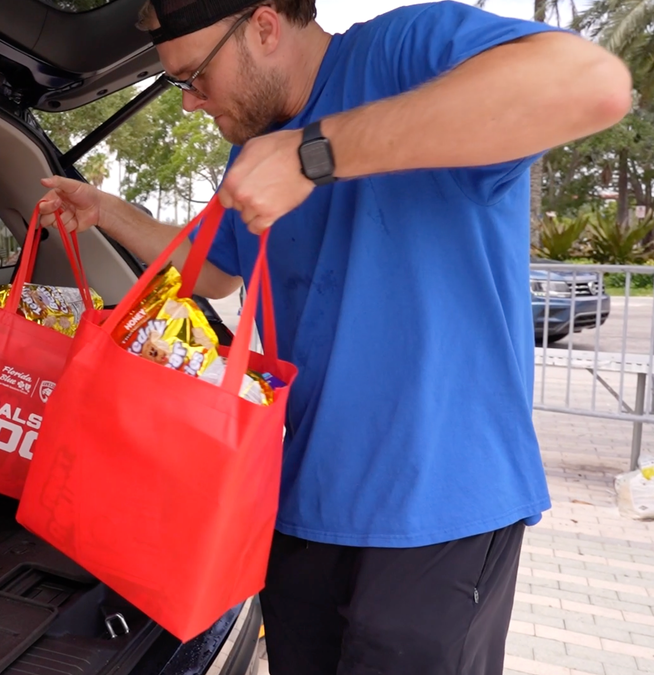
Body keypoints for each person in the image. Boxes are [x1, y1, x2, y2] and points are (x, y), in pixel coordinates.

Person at [36, 1, 631, 673]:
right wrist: (107, 211)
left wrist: (316, 154)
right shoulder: (259, 140)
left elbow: (592, 83)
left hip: (438, 505)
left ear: (263, 25)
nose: (191, 104)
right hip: (305, 503)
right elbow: (216, 269)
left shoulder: (406, 50)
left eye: (196, 77)